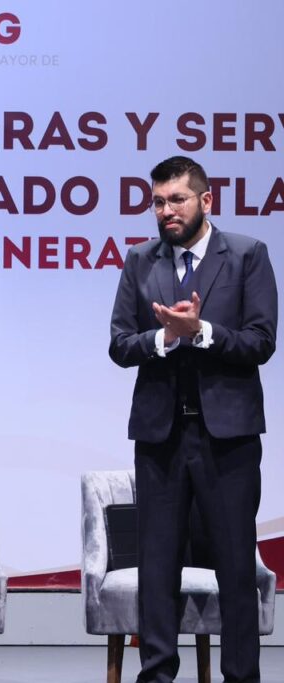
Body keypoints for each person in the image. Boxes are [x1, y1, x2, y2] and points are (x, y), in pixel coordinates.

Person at [109, 156, 277, 683]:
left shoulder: (247, 255)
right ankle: (157, 674)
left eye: (177, 199)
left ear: (206, 200)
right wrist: (164, 337)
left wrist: (202, 331)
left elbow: (260, 342)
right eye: (158, 202)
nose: (167, 211)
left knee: (235, 566)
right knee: (157, 567)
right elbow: (119, 345)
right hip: (160, 438)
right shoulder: (140, 261)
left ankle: (241, 677)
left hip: (228, 439)